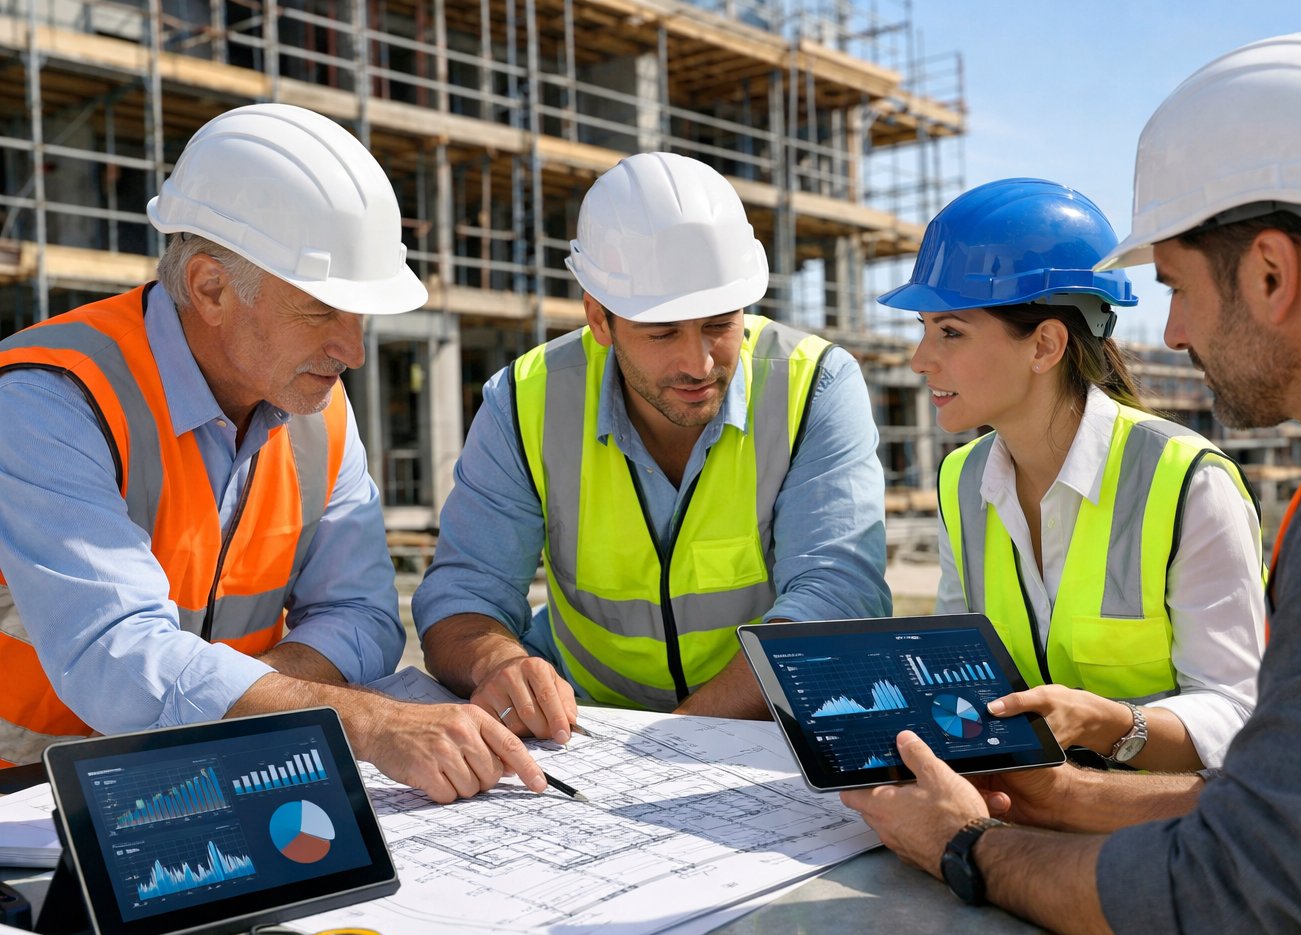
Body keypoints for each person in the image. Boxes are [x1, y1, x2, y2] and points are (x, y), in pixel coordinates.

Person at [842, 31, 1301, 935]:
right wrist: (1063, 794)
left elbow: (1245, 907)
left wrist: (968, 846)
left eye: (1175, 284)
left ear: (1268, 272)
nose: (1167, 333)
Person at [0, 103, 551, 804]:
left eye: (361, 317)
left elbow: (366, 616)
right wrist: (366, 723)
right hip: (27, 806)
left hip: (207, 785)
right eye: (321, 310)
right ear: (210, 287)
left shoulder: (318, 415)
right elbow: (117, 658)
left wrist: (263, 697)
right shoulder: (47, 399)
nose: (352, 351)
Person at [414, 151, 891, 726]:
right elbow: (463, 594)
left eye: (720, 324)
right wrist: (498, 662)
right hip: (586, 725)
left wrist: (680, 738)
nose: (699, 362)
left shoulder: (814, 385)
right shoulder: (523, 401)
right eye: (662, 333)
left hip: (768, 727)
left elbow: (837, 601)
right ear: (598, 318)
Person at [878, 178, 1263, 771]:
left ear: (1044, 345)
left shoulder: (1189, 483)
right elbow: (959, 667)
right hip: (1028, 806)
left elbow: (1240, 715)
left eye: (949, 331)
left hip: (1162, 831)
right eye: (922, 329)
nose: (919, 359)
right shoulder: (962, 479)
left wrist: (1110, 725)